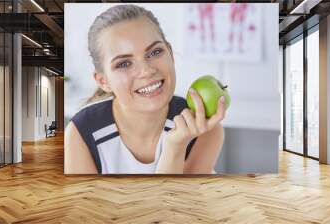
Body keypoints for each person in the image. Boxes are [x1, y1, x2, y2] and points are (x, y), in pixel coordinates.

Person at [64, 4, 226, 174]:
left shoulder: (204, 129)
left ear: (170, 53)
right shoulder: (80, 133)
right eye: (124, 64)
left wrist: (175, 147)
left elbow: (177, 200)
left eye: (155, 52)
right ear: (103, 81)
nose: (147, 71)